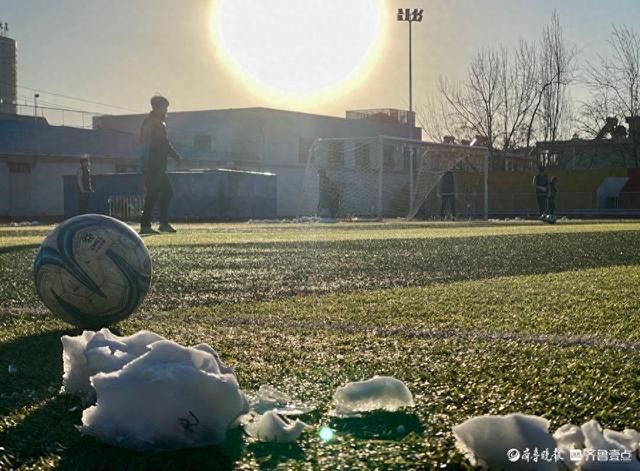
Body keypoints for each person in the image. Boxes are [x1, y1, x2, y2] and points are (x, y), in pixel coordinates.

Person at [139, 95, 183, 234]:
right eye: (165, 107)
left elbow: (165, 144)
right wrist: (145, 170)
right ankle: (149, 225)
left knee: (162, 193)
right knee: (157, 194)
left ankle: (157, 224)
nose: (166, 111)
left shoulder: (159, 123)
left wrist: (175, 156)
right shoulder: (150, 123)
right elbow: (145, 147)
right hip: (153, 167)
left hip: (159, 167)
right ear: (157, 108)